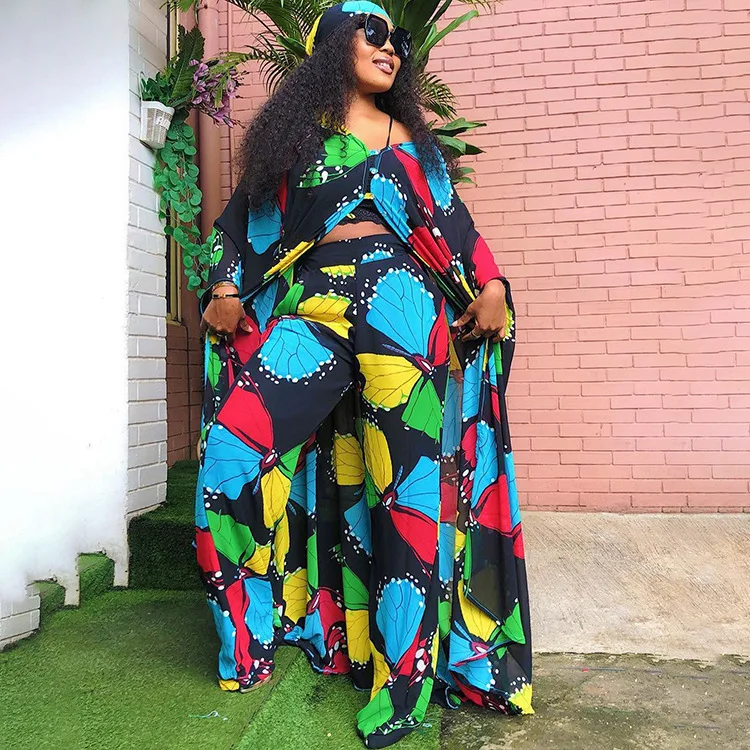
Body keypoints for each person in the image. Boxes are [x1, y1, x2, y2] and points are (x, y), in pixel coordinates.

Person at [195, 3, 532, 747]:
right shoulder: (295, 141)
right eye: (373, 32)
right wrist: (223, 287)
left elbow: (457, 227)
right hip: (314, 304)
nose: (391, 48)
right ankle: (247, 643)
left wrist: (493, 286)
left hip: (403, 310)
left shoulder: (411, 140)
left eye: (398, 40)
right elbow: (243, 227)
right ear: (330, 45)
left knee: (408, 494)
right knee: (231, 456)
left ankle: (402, 687)